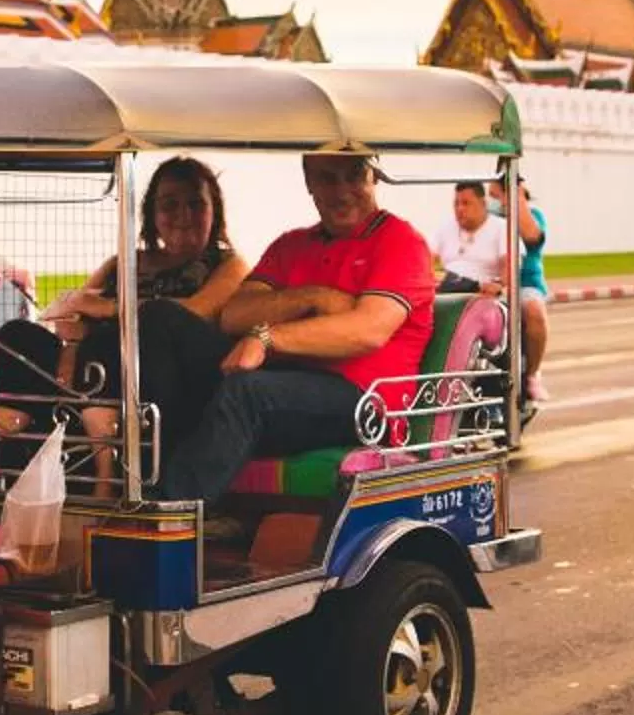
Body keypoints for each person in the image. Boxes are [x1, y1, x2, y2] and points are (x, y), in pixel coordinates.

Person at [155, 153, 435, 503]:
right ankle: (138, 477)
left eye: (355, 175)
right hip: (287, 382)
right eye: (328, 179)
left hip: (365, 398)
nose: (343, 190)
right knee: (163, 321)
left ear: (373, 177)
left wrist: (268, 337)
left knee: (247, 392)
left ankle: (170, 515)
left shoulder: (399, 241)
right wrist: (312, 298)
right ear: (309, 184)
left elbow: (368, 330)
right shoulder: (292, 245)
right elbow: (235, 315)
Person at [0, 156, 251, 494]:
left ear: (214, 211)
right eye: (169, 205)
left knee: (144, 325)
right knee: (16, 335)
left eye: (195, 204)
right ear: (152, 216)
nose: (183, 216)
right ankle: (16, 436)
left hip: (168, 379)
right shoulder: (122, 263)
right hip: (91, 366)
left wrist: (109, 308)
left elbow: (196, 311)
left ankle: (106, 460)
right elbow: (71, 315)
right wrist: (71, 350)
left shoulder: (228, 264)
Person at [492, 177, 551, 396]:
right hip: (491, 282)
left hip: (524, 284)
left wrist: (516, 199)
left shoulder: (533, 216)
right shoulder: (486, 219)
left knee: (534, 312)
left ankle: (533, 374)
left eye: (496, 195)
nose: (492, 200)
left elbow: (532, 237)